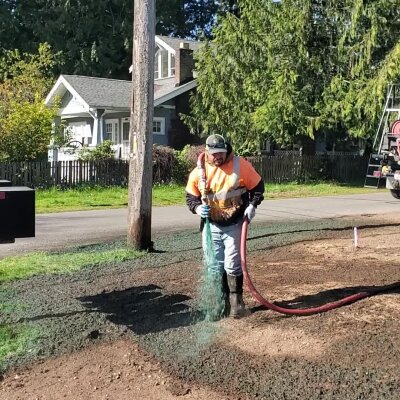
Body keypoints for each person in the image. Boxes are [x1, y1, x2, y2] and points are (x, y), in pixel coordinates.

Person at [186, 134, 265, 318]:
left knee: (233, 264)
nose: (218, 157)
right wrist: (197, 208)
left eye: (221, 153)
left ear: (226, 149)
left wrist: (252, 205)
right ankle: (220, 305)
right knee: (214, 265)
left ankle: (236, 304)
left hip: (235, 223)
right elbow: (190, 196)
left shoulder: (240, 165)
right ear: (206, 152)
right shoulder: (200, 171)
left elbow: (258, 186)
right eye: (214, 154)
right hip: (211, 224)